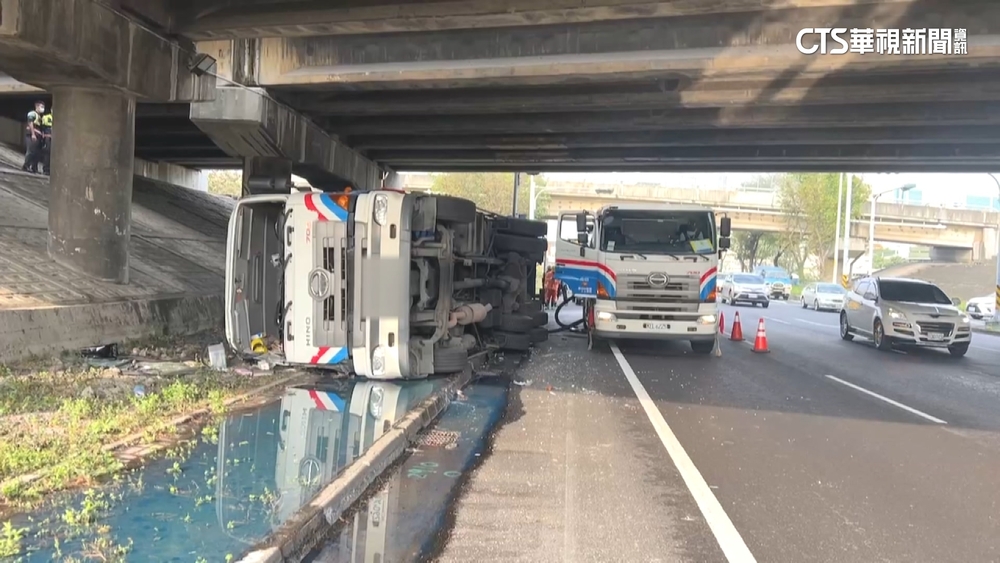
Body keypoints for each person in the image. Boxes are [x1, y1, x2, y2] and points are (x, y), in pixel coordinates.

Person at [21, 101, 44, 173]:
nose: (42, 108)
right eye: (41, 107)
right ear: (36, 106)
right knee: (31, 151)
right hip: (32, 135)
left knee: (36, 153)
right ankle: (26, 166)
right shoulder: (32, 114)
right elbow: (30, 123)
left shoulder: (39, 116)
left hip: (38, 136)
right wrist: (33, 134)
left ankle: (34, 168)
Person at [39, 109, 52, 175]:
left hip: (55, 139)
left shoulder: (59, 119)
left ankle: (50, 169)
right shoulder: (46, 117)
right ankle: (46, 169)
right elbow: (43, 128)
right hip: (48, 138)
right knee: (47, 153)